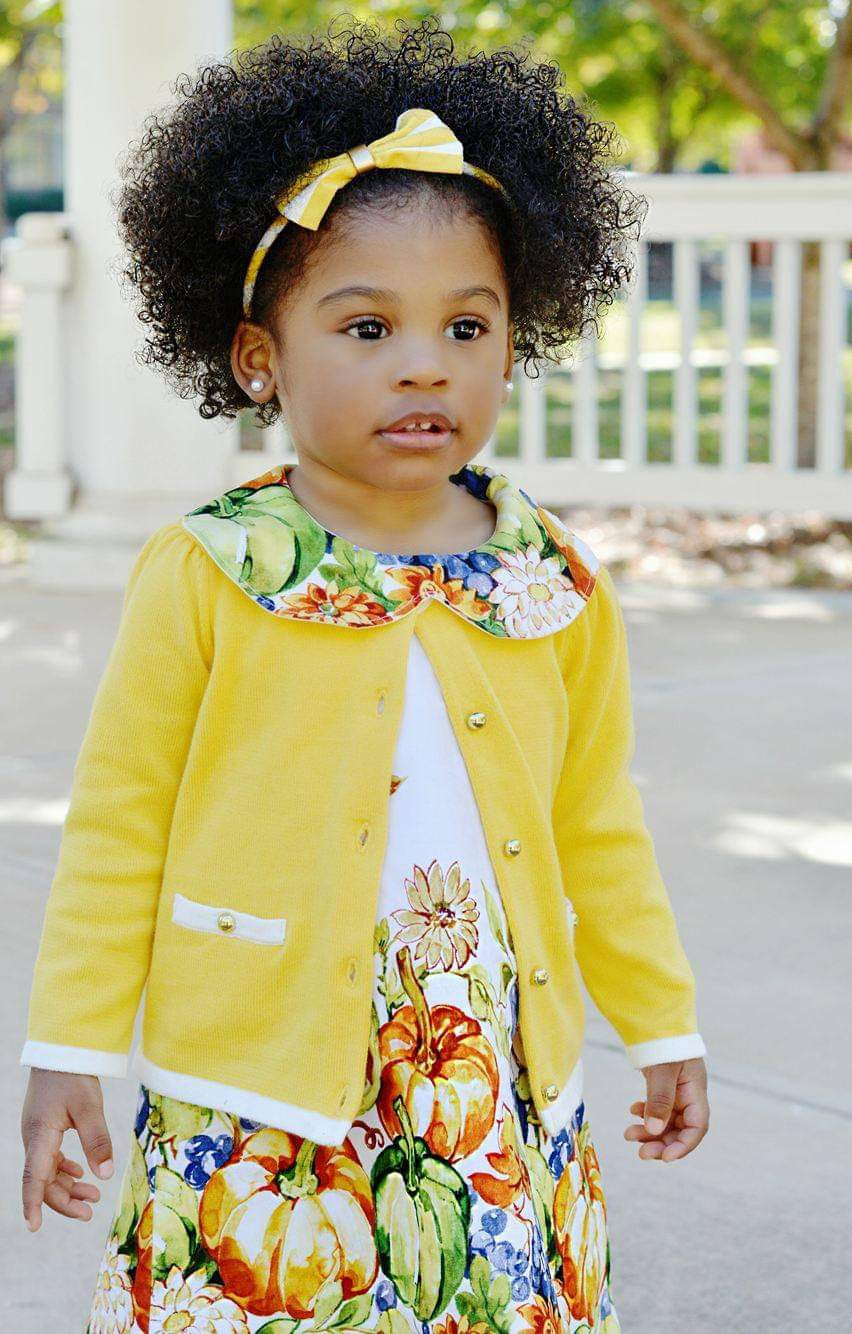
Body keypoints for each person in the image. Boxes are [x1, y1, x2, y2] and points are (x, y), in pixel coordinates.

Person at [18, 18, 710, 1332]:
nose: (424, 360)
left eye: (467, 322)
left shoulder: (548, 580)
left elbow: (597, 824)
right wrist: (69, 1047)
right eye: (367, 323)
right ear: (258, 356)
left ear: (519, 337)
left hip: (487, 1084)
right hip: (259, 1093)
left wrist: (662, 1020)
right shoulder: (215, 569)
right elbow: (120, 825)